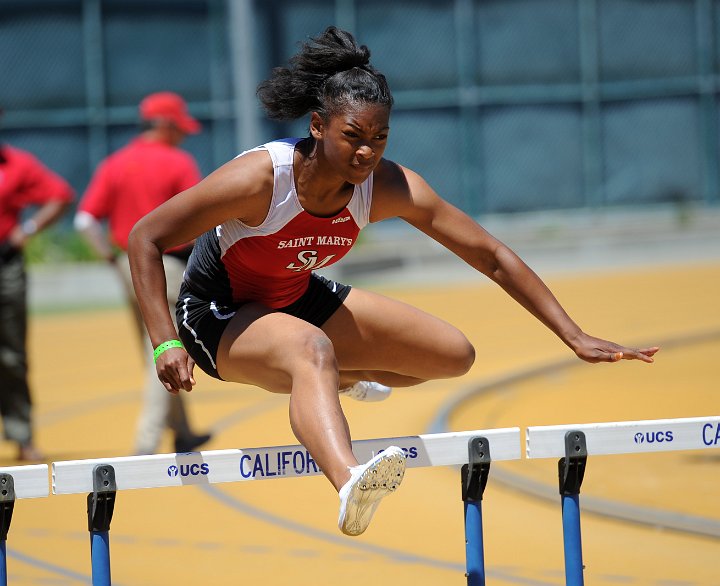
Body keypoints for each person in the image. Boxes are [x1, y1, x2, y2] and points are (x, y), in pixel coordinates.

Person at [127, 27, 659, 536]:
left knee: (450, 354)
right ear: (317, 125)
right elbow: (145, 238)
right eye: (352, 137)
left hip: (294, 296)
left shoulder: (387, 186)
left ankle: (334, 379)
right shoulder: (261, 181)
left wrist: (573, 334)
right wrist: (164, 340)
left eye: (379, 138)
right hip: (216, 314)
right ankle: (348, 481)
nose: (366, 153)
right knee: (311, 348)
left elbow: (490, 254)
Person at [74, 92, 211, 455]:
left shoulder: (115, 163)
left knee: (155, 344)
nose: (183, 135)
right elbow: (195, 219)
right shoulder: (177, 162)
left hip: (127, 266)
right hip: (166, 265)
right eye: (179, 128)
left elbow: (85, 221)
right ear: (165, 125)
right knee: (169, 347)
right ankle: (146, 442)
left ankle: (183, 431)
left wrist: (109, 256)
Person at [0, 107, 74, 461]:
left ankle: (21, 434)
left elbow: (60, 194)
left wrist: (27, 230)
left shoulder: (14, 163)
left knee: (11, 354)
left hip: (5, 265)